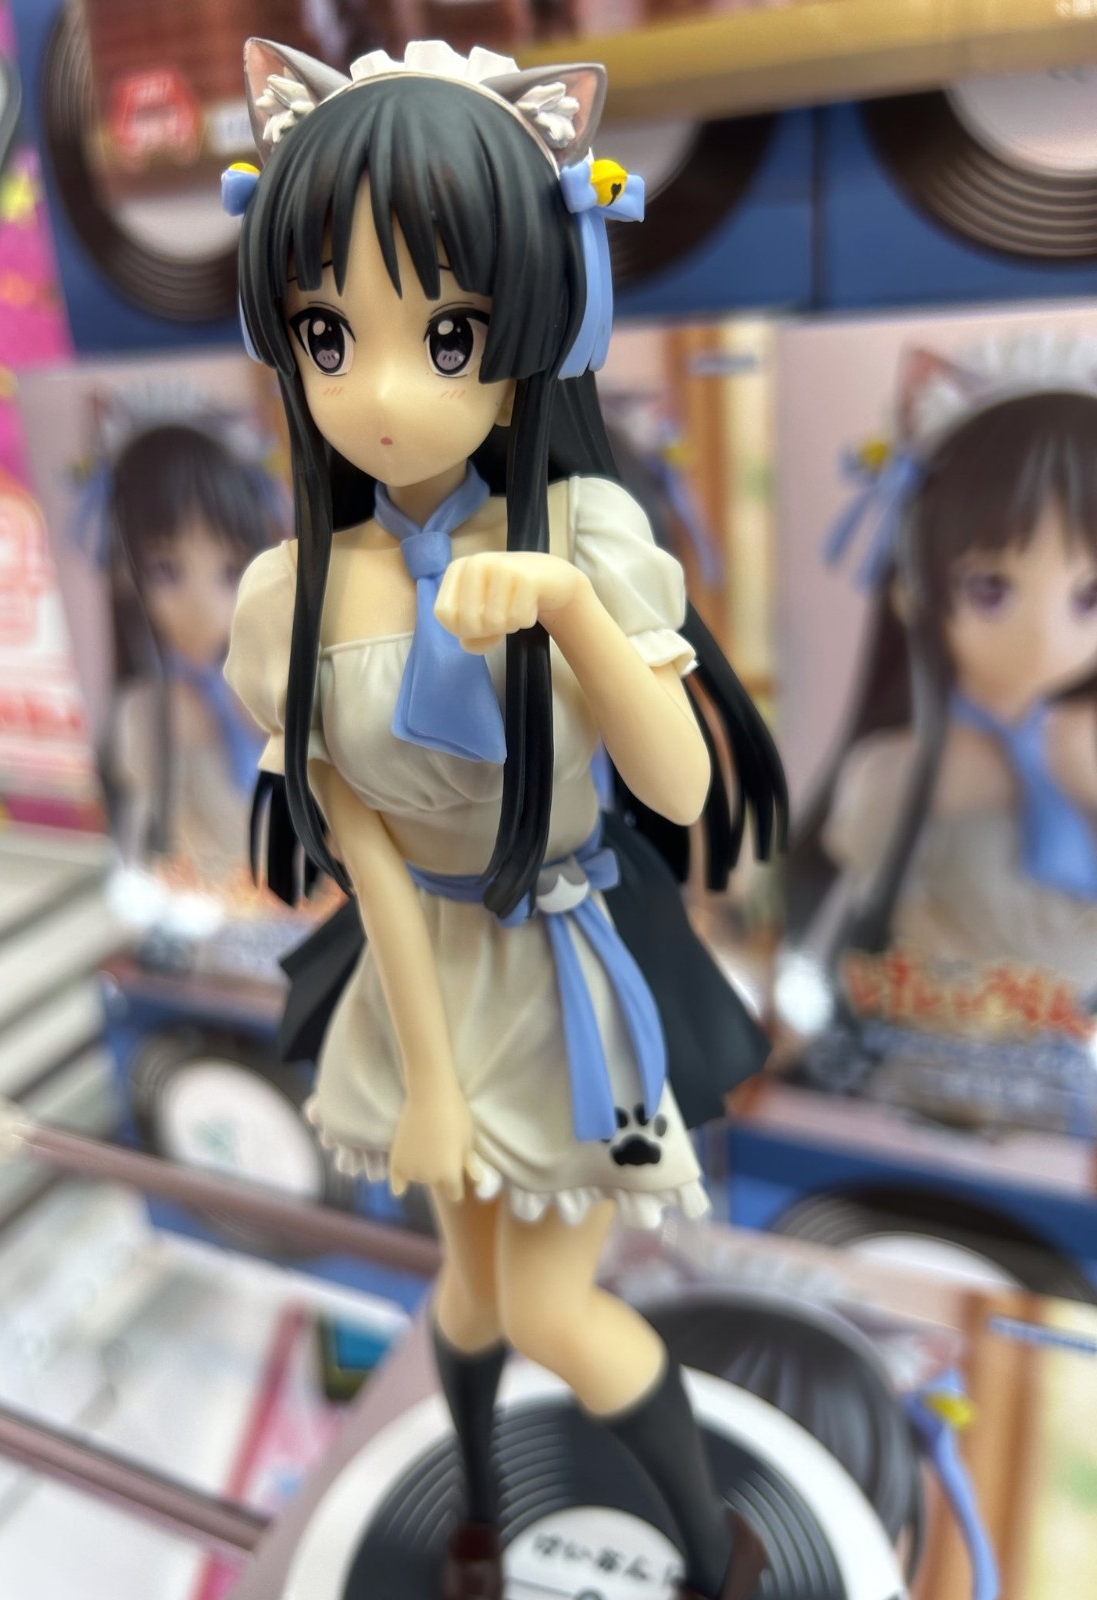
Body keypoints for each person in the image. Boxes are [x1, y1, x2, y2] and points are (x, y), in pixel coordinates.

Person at [223, 38, 785, 1600]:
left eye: (450, 333)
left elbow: (679, 790)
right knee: (465, 1295)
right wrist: (426, 1074)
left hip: (567, 978)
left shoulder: (586, 534)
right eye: (329, 333)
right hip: (428, 973)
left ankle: (715, 1555)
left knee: (547, 1307)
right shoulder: (290, 595)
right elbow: (364, 843)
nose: (383, 395)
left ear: (539, 322)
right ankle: (481, 1514)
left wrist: (571, 614)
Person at [786, 338, 1097, 993]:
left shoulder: (1083, 743)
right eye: (991, 589)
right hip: (941, 1033)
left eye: (1088, 597)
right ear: (915, 591)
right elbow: (864, 916)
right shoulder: (896, 770)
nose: (1044, 635)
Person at [97, 420, 277, 881]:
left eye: (231, 570)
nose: (204, 609)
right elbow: (197, 852)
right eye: (166, 570)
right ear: (124, 575)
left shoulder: (265, 677)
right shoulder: (144, 713)